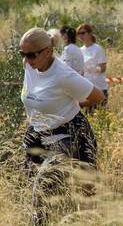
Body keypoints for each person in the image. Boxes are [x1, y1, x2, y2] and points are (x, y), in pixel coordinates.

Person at [19, 27, 105, 167]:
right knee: (29, 183)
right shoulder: (29, 65)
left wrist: (74, 105)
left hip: (67, 134)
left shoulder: (63, 75)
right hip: (38, 132)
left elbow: (99, 96)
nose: (26, 59)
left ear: (48, 52)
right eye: (22, 53)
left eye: (30, 55)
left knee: (49, 182)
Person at [76, 23, 109, 110]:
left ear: (89, 33)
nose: (81, 36)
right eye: (78, 34)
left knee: (99, 115)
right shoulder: (80, 50)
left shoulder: (97, 48)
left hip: (99, 88)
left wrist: (95, 69)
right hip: (86, 89)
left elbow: (103, 67)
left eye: (83, 33)